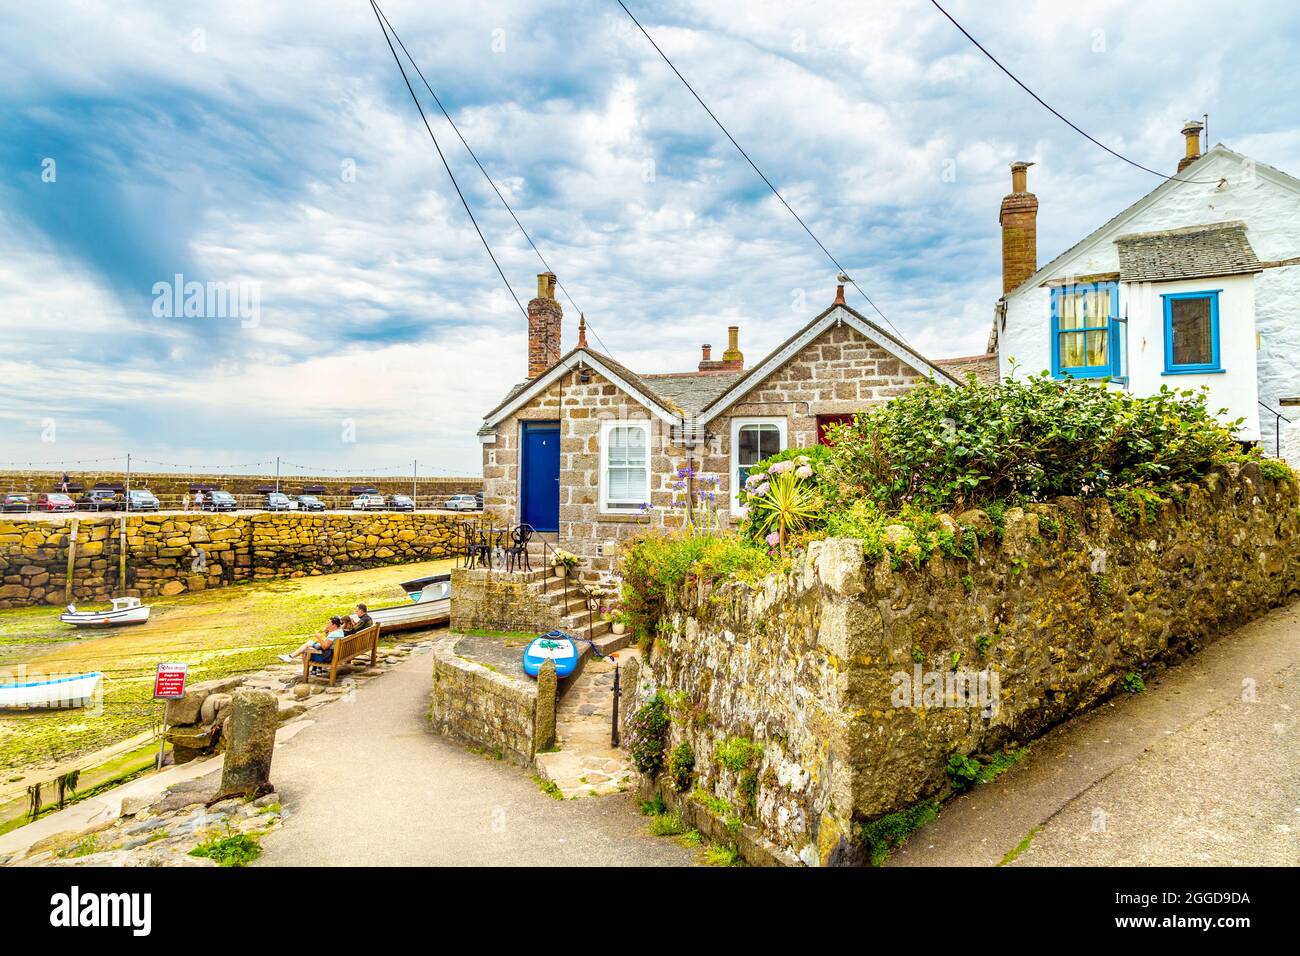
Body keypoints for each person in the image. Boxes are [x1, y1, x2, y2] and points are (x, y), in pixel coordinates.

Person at [278, 616, 345, 665]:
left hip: (328, 657)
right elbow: (330, 643)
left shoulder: (334, 634)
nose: (328, 625)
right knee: (309, 644)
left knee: (305, 652)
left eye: (329, 624)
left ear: (334, 625)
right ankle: (290, 657)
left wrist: (319, 638)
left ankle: (295, 661)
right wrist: (327, 633)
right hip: (334, 655)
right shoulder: (340, 632)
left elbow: (325, 647)